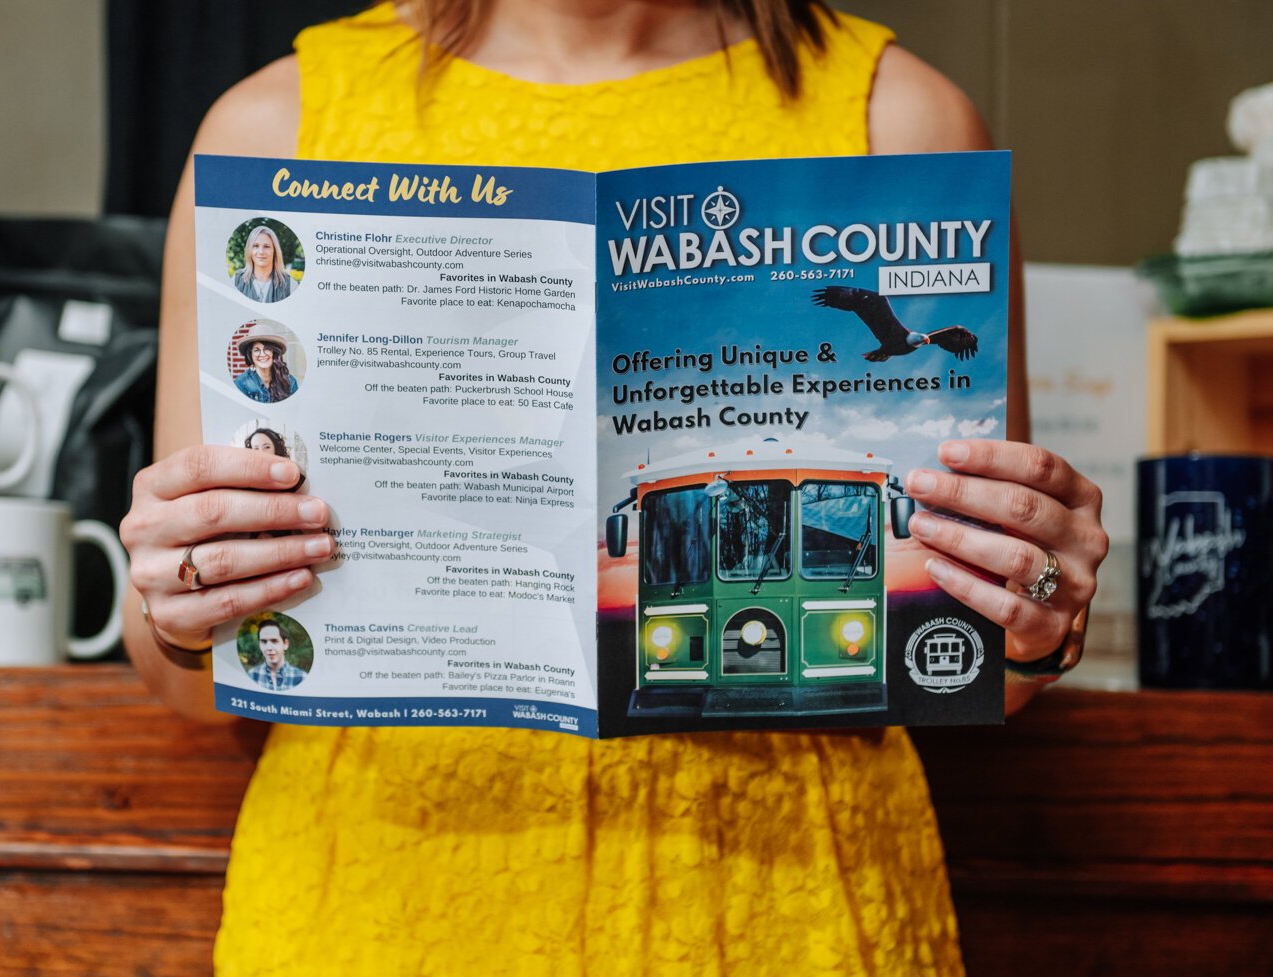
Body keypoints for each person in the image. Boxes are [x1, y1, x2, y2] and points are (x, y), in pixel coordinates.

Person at [119, 2, 1111, 974]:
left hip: (786, 915)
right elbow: (183, 675)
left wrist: (1033, 611)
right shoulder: (275, 127)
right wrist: (183, 598)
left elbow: (987, 657)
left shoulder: (902, 122)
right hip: (381, 906)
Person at [232, 327, 298, 403]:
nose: (262, 354)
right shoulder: (241, 383)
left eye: (267, 349)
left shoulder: (290, 381)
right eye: (256, 350)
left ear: (274, 352)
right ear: (250, 355)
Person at [232, 224, 294, 303]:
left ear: (274, 251)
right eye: (256, 246)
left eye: (266, 246)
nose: (261, 252)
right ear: (249, 250)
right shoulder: (236, 281)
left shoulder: (290, 285)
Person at [246, 618, 306, 691]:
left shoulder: (301, 677)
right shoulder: (252, 675)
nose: (269, 647)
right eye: (264, 642)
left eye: (274, 641)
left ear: (285, 644)